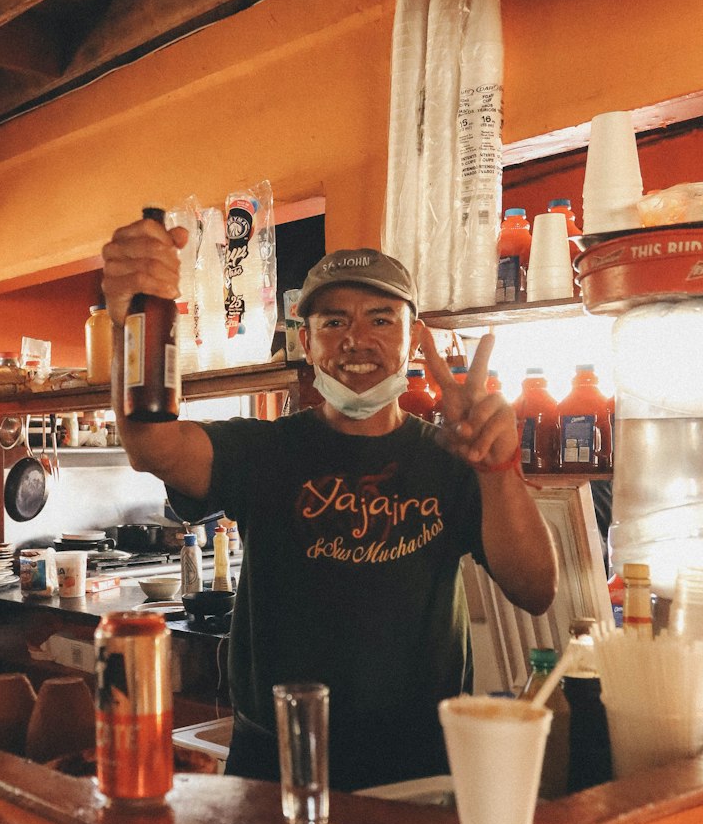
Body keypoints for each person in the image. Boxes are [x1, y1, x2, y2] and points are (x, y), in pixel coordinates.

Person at [102, 217, 558, 790]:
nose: (355, 339)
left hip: (419, 764)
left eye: (380, 319)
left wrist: (497, 466)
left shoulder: (451, 458)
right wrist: (132, 324)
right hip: (274, 762)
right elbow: (152, 445)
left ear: (415, 338)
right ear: (306, 342)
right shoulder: (265, 449)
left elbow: (536, 591)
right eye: (334, 321)